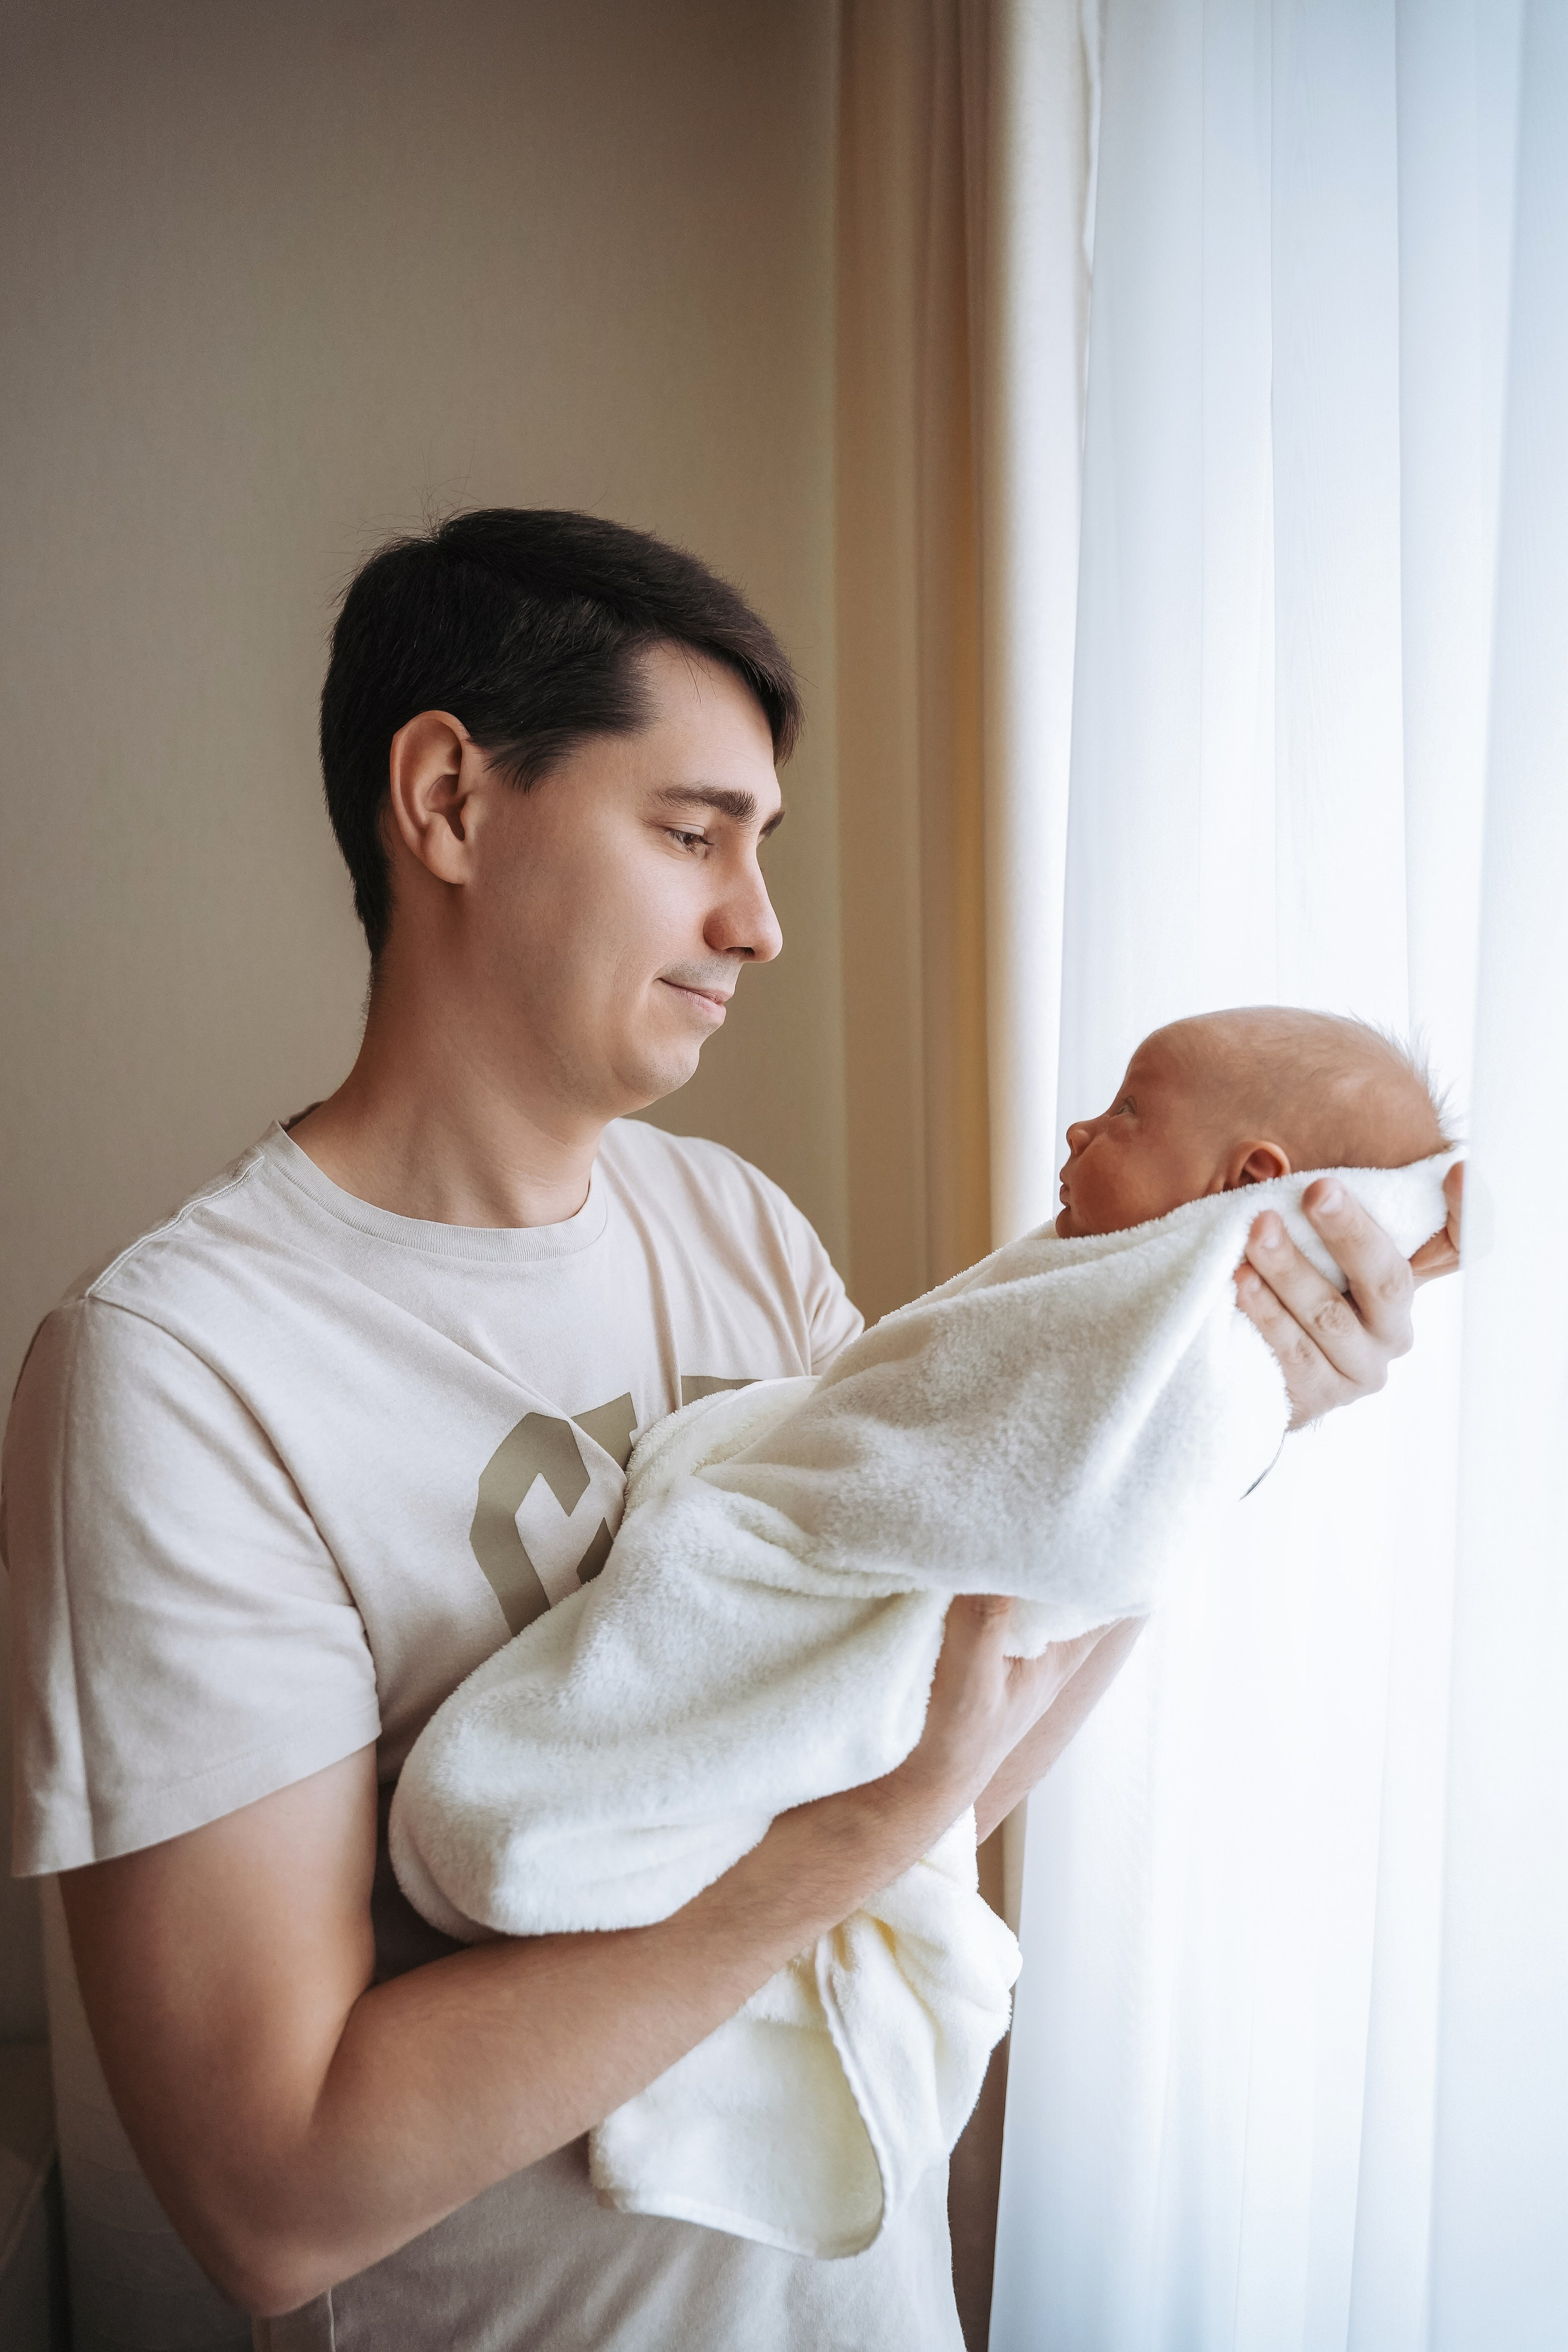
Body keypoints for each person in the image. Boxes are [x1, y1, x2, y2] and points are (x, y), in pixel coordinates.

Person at [1, 511, 1463, 2352]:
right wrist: (866, 1840)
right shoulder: (183, 1373)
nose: (759, 921)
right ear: (448, 801)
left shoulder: (738, 1231)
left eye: (760, 848)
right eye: (693, 834)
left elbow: (919, 1750)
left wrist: (1218, 1414)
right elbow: (276, 2193)